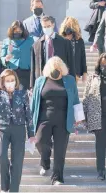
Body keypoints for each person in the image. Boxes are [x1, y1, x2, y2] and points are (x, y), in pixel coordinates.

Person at [30, 57, 81, 185]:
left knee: (60, 149)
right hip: (44, 119)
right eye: (53, 67)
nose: (56, 69)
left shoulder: (69, 80)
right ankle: (45, 162)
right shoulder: (40, 81)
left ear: (62, 68)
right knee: (40, 141)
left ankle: (57, 177)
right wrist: (29, 120)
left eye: (58, 66)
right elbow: (35, 102)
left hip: (63, 120)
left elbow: (75, 99)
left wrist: (78, 118)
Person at [0, 69, 35, 193]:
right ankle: (4, 187)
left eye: (12, 80)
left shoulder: (22, 93)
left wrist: (31, 133)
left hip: (19, 128)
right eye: (7, 80)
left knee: (17, 161)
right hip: (2, 128)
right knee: (2, 157)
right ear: (3, 81)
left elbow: (28, 114)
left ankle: (14, 190)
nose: (10, 83)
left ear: (16, 81)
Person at [30, 15, 75, 88]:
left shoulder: (65, 43)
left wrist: (73, 83)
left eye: (48, 26)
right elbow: (33, 67)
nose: (46, 28)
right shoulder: (36, 45)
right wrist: (32, 86)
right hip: (43, 81)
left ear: (53, 25)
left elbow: (71, 64)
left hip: (61, 80)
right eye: (44, 27)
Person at [1, 20, 34, 90]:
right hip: (12, 71)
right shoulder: (6, 41)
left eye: (19, 31)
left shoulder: (30, 40)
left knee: (24, 93)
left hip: (26, 71)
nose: (17, 33)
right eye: (15, 31)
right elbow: (2, 57)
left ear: (23, 31)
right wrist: (6, 59)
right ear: (11, 31)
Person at [59, 17, 88, 83]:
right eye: (67, 26)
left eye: (71, 26)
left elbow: (83, 57)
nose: (69, 29)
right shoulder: (60, 40)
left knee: (72, 91)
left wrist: (84, 72)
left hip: (75, 71)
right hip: (62, 70)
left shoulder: (79, 40)